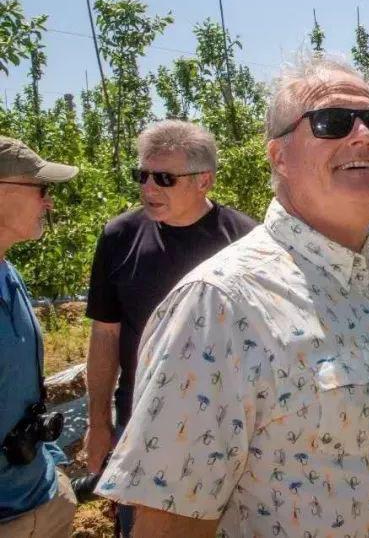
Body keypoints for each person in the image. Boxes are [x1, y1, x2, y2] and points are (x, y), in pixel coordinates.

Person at [96, 54, 369, 538]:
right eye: (332, 122)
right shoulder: (219, 306)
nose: (365, 136)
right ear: (278, 156)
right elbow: (170, 524)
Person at [83, 121, 257, 536]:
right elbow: (105, 335)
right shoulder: (120, 236)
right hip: (141, 430)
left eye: (164, 178)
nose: (148, 188)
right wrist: (98, 422)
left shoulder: (246, 241)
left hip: (229, 431)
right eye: (141, 175)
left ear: (205, 180)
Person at [0, 136, 79, 537]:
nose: (48, 203)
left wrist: (52, 462)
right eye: (41, 190)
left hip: (43, 499)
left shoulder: (9, 274)